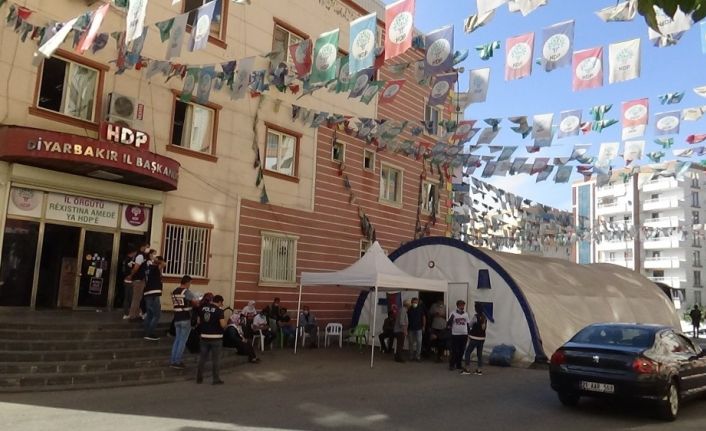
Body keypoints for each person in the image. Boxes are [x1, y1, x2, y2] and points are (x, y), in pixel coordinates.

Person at [196, 293, 226, 385]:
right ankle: (216, 379)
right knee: (216, 360)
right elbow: (222, 324)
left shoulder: (202, 308)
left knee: (202, 358)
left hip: (204, 336)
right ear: (219, 302)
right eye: (221, 303)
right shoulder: (219, 311)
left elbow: (198, 321)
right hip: (216, 338)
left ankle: (199, 378)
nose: (222, 305)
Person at [169, 275, 198, 369]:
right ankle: (177, 361)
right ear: (187, 282)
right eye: (190, 283)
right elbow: (195, 302)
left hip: (177, 318)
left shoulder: (174, 291)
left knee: (177, 340)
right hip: (185, 318)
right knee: (182, 341)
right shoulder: (187, 292)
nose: (190, 285)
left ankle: (172, 360)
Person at [143, 252, 165, 341]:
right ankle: (150, 333)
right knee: (156, 315)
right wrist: (157, 260)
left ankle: (146, 332)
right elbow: (163, 264)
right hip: (154, 293)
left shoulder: (148, 269)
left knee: (149, 314)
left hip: (147, 292)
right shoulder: (155, 268)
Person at [126, 242, 149, 321]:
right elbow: (136, 268)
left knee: (138, 298)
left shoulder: (141, 255)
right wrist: (131, 275)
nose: (147, 249)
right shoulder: (140, 256)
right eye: (147, 247)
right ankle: (133, 315)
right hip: (138, 280)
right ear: (142, 247)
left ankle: (136, 314)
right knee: (136, 298)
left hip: (139, 279)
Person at [463, 303, 488, 375]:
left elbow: (470, 324)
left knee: (468, 352)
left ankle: (467, 369)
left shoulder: (475, 316)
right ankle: (479, 370)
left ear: (476, 309)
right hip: (482, 338)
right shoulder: (484, 317)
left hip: (474, 337)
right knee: (479, 354)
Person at [448, 300, 470, 372]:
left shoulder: (466, 314)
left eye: (463, 305)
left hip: (464, 334)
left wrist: (468, 333)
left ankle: (458, 364)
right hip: (455, 334)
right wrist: (450, 321)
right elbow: (449, 323)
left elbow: (468, 324)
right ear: (457, 306)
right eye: (461, 305)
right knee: (455, 350)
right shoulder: (453, 313)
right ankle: (452, 364)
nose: (462, 306)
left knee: (461, 350)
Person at [120, 246, 137, 320]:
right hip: (129, 281)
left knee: (127, 298)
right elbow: (133, 269)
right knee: (130, 298)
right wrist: (130, 276)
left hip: (126, 280)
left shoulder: (125, 259)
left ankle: (126, 313)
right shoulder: (130, 260)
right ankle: (128, 313)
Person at [407, 297, 426, 362]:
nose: (415, 303)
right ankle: (411, 356)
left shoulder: (420, 309)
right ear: (411, 302)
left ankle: (418, 356)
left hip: (419, 328)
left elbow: (423, 317)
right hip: (410, 328)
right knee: (411, 342)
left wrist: (424, 326)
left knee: (419, 342)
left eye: (416, 302)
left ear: (418, 303)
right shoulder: (409, 309)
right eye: (414, 302)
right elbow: (406, 318)